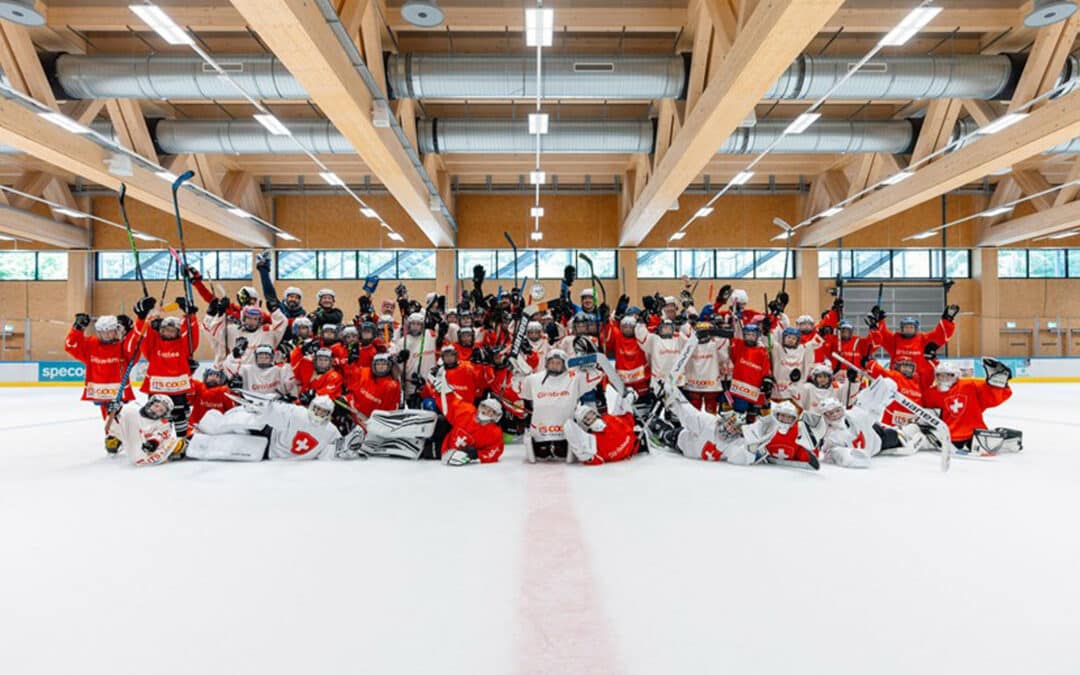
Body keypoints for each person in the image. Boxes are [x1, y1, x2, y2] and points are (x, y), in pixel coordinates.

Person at [187, 394, 347, 461]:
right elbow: (278, 411)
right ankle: (205, 425)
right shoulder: (298, 412)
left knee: (230, 443)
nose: (318, 413)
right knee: (236, 422)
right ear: (311, 407)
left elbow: (339, 447)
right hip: (268, 434)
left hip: (266, 451)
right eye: (317, 409)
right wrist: (265, 408)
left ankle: (196, 443)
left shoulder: (331, 430)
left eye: (323, 411)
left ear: (329, 414)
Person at [65, 313, 139, 451]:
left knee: (119, 413)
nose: (106, 335)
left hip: (119, 388)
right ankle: (113, 436)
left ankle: (118, 436)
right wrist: (77, 329)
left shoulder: (122, 345)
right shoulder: (90, 344)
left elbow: (134, 349)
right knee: (107, 412)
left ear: (116, 330)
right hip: (100, 389)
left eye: (109, 331)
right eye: (102, 332)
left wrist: (130, 331)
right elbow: (71, 346)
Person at [922, 359, 1020, 454]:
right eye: (940, 375)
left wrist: (997, 384)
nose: (943, 378)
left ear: (956, 375)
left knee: (989, 445)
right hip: (949, 436)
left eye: (948, 375)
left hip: (973, 434)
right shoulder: (930, 393)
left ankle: (1006, 440)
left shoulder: (969, 385)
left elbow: (992, 396)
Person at [134, 295, 199, 437]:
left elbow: (191, 334)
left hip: (178, 389)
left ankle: (183, 439)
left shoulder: (183, 346)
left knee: (179, 414)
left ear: (178, 332)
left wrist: (190, 315)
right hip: (157, 388)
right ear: (160, 330)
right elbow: (142, 334)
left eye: (172, 330)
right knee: (156, 415)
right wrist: (142, 317)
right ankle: (158, 439)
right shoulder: (153, 345)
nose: (168, 333)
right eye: (165, 330)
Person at [661, 382, 761, 465]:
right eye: (730, 423)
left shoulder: (733, 444)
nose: (729, 429)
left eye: (735, 429)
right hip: (680, 441)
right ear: (725, 420)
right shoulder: (708, 422)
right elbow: (687, 413)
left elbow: (742, 458)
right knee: (663, 434)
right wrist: (673, 397)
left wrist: (752, 450)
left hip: (693, 455)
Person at [520, 349, 589, 462]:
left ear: (564, 364)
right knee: (541, 453)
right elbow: (522, 393)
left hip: (566, 433)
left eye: (558, 363)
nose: (554, 365)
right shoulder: (533, 379)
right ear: (546, 363)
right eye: (552, 362)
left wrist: (588, 366)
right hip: (539, 431)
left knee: (562, 452)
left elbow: (596, 376)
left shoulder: (574, 377)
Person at [868, 305, 958, 387]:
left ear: (916, 329)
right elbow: (883, 336)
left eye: (911, 327)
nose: (908, 329)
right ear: (902, 328)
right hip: (898, 383)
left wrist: (947, 320)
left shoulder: (923, 339)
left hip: (920, 385)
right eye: (906, 327)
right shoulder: (895, 340)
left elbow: (940, 336)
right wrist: (879, 321)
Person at [431, 377, 505, 465]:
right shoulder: (466, 410)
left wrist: (477, 454)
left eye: (491, 411)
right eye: (484, 407)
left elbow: (495, 451)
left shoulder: (495, 433)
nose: (485, 411)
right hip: (444, 445)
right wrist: (441, 391)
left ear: (495, 417)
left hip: (462, 458)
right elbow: (450, 403)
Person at [564, 386, 640, 465]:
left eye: (590, 414)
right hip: (627, 454)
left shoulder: (610, 418)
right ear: (585, 423)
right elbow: (591, 458)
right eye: (586, 418)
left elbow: (626, 410)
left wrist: (630, 396)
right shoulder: (594, 442)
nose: (590, 418)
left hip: (634, 446)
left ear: (595, 413)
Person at [742, 400, 821, 470]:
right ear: (775, 415)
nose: (785, 420)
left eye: (789, 417)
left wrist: (810, 452)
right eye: (782, 416)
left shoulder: (798, 431)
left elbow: (807, 455)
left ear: (794, 419)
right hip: (764, 468)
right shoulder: (765, 426)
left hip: (790, 470)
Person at [111, 395, 186, 466]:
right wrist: (114, 410)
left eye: (161, 410)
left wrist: (153, 443)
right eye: (156, 406)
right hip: (128, 437)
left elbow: (161, 434)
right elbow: (117, 416)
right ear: (150, 403)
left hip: (145, 445)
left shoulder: (162, 423)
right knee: (111, 442)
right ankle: (116, 441)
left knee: (174, 443)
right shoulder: (132, 409)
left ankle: (181, 448)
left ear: (164, 414)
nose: (157, 410)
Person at [728, 321, 772, 417]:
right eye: (747, 335)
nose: (750, 337)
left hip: (755, 390)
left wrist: (766, 380)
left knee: (754, 416)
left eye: (753, 335)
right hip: (739, 390)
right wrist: (736, 320)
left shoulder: (762, 352)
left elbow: (766, 368)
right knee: (739, 413)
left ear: (757, 336)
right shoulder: (739, 346)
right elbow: (734, 335)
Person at [345, 353, 402, 420]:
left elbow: (391, 409)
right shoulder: (364, 372)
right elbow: (350, 382)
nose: (381, 367)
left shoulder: (392, 386)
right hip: (355, 414)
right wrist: (349, 364)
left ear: (389, 366)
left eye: (384, 364)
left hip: (376, 421)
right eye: (378, 364)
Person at [605, 313, 650, 395]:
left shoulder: (640, 338)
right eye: (625, 327)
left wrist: (643, 323)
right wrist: (607, 321)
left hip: (641, 382)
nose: (628, 329)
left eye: (631, 327)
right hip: (623, 382)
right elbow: (610, 330)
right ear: (621, 328)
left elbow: (649, 332)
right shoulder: (618, 337)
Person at [188, 366, 235, 430]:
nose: (213, 377)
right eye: (210, 375)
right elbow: (188, 382)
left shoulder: (225, 391)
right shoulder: (198, 387)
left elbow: (232, 410)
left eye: (217, 376)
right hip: (195, 427)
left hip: (218, 430)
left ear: (222, 380)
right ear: (205, 377)